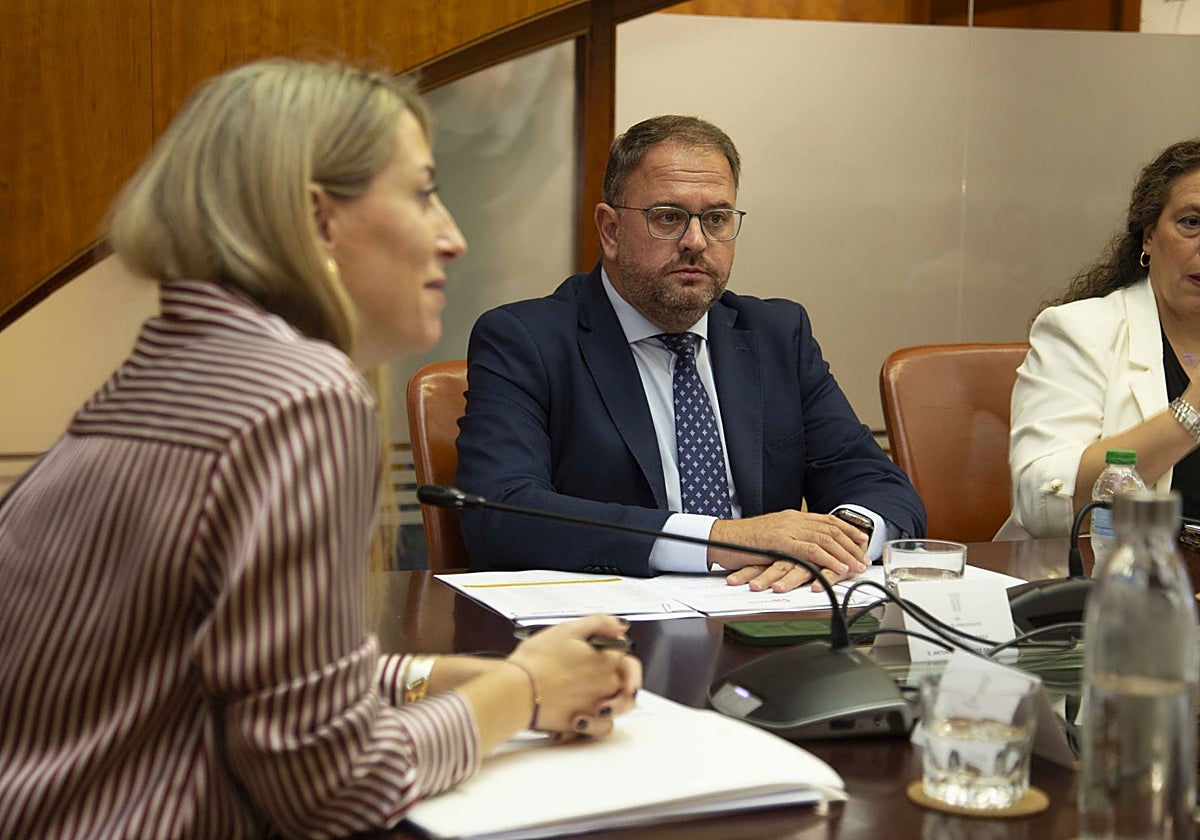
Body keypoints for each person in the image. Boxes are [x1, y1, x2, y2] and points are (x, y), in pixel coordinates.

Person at [0, 58, 640, 840]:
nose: (454, 238)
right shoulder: (303, 393)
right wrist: (526, 693)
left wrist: (443, 677)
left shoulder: (176, 370)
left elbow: (235, 671)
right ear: (317, 219)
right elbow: (330, 784)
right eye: (422, 192)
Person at [456, 115, 925, 593]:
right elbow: (499, 511)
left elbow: (880, 486)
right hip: (610, 636)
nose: (696, 242)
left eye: (717, 219)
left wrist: (838, 540)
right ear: (611, 229)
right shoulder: (525, 339)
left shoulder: (777, 335)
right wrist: (721, 539)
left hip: (768, 616)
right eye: (667, 217)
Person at [999, 138, 1200, 538]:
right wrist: (1192, 410)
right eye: (1191, 223)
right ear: (1148, 237)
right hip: (1104, 582)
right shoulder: (1078, 331)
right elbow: (1040, 503)